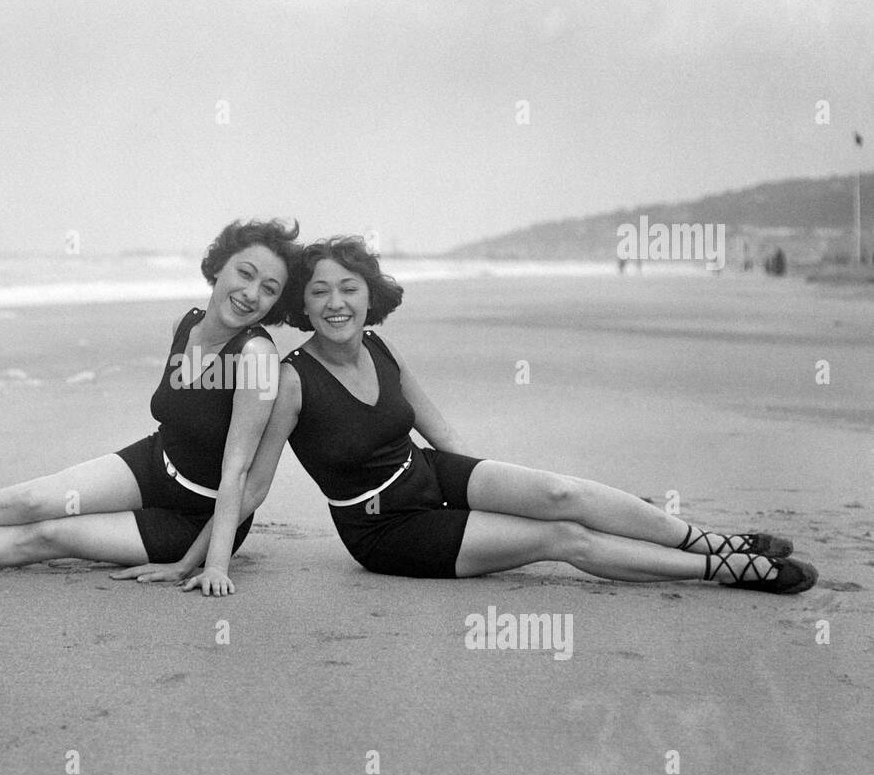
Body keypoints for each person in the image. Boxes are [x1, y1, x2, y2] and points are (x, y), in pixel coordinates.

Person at [135, 235, 816, 595]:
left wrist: (496, 488)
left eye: (350, 289)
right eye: (319, 293)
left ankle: (711, 541)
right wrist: (198, 561)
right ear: (304, 309)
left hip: (426, 476)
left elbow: (448, 439)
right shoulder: (289, 381)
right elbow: (249, 486)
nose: (337, 303)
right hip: (386, 531)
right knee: (562, 539)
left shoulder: (379, 344)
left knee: (560, 494)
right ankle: (726, 574)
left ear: (371, 298)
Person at [0, 219, 301, 582]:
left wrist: (203, 564)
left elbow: (238, 475)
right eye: (245, 273)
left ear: (275, 304)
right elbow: (183, 416)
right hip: (155, 463)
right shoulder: (186, 324)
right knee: (33, 498)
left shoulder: (255, 356)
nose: (251, 292)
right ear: (218, 269)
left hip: (197, 517)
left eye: (269, 288)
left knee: (45, 535)